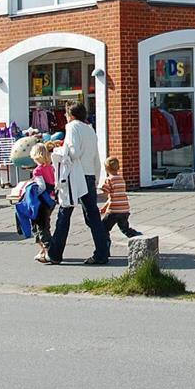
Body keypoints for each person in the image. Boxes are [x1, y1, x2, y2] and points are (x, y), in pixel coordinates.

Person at [47, 102, 110, 266]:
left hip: (75, 176)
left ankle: (55, 253)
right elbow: (96, 156)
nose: (65, 117)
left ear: (71, 115)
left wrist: (58, 151)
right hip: (89, 175)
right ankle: (102, 252)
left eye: (66, 114)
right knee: (93, 216)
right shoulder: (90, 129)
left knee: (64, 213)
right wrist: (96, 177)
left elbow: (74, 152)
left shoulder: (72, 127)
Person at [99, 156, 141, 241]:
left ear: (106, 169)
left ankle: (105, 242)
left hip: (114, 211)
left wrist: (97, 193)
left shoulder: (109, 180)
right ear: (118, 167)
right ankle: (137, 236)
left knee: (103, 228)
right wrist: (104, 207)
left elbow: (106, 193)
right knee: (125, 228)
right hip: (124, 210)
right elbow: (116, 196)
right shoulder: (121, 179)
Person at [29, 143, 57, 264]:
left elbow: (41, 186)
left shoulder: (38, 170)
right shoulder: (51, 168)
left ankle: (49, 251)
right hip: (51, 199)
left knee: (40, 226)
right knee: (46, 223)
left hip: (42, 201)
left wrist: (33, 193)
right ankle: (43, 250)